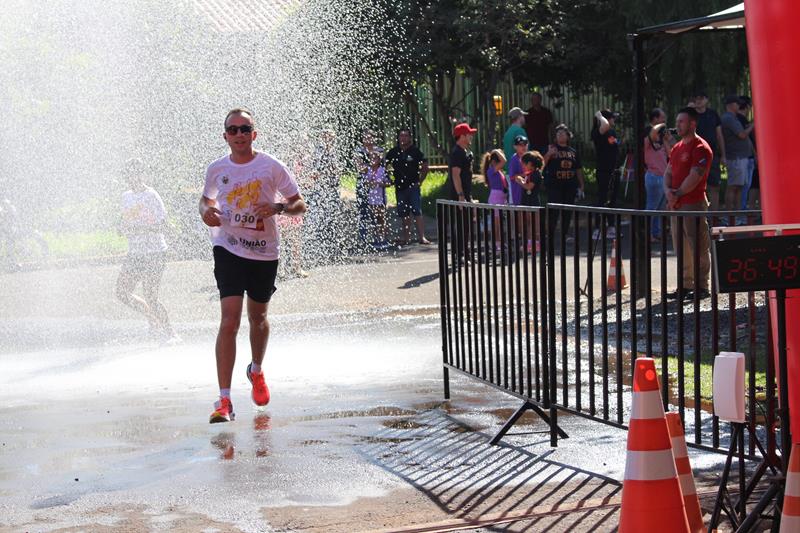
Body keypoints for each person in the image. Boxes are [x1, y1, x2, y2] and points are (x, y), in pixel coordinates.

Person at [199, 108, 307, 423]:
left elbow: (299, 203)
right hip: (228, 247)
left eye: (245, 129)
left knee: (257, 319)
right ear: (225, 136)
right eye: (233, 130)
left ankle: (256, 370)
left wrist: (276, 208)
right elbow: (206, 200)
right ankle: (224, 401)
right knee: (229, 320)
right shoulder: (217, 169)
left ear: (254, 134)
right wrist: (206, 210)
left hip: (263, 252)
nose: (239, 135)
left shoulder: (271, 166)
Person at [116, 158, 178, 343]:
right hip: (135, 253)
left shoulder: (151, 196)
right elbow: (126, 221)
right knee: (122, 292)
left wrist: (138, 230)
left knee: (151, 296)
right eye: (128, 174)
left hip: (154, 253)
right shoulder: (125, 197)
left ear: (142, 174)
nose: (132, 178)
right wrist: (120, 228)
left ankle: (171, 333)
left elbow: (164, 226)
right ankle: (153, 320)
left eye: (135, 173)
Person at [663, 107, 712, 300]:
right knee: (681, 246)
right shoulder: (677, 147)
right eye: (677, 121)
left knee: (698, 245)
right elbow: (668, 172)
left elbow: (695, 177)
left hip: (693, 203)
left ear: (693, 123)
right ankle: (685, 284)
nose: (677, 125)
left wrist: (677, 193)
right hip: (677, 204)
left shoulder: (701, 147)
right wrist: (669, 192)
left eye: (681, 121)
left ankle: (702, 286)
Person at [385, 127, 430, 245]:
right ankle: (407, 238)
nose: (403, 138)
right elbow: (384, 164)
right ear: (398, 138)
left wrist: (420, 181)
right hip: (400, 187)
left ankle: (422, 237)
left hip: (413, 186)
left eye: (406, 135)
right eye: (401, 135)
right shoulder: (393, 152)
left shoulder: (415, 151)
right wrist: (388, 178)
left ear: (410, 138)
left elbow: (425, 166)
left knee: (417, 211)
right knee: (404, 213)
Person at [544, 124, 585, 234]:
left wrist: (581, 185)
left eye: (562, 133)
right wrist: (548, 154)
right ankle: (550, 235)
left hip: (570, 186)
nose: (560, 135)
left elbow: (578, 169)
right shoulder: (551, 148)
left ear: (568, 136)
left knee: (567, 212)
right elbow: (541, 164)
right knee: (554, 212)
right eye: (558, 134)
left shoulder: (573, 151)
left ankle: (564, 235)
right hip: (554, 186)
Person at [446, 123, 477, 260]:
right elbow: (455, 174)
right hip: (459, 195)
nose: (471, 136)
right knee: (461, 225)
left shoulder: (463, 151)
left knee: (467, 224)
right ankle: (459, 255)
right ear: (462, 136)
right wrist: (460, 196)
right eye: (469, 134)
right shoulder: (457, 152)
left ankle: (465, 253)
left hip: (465, 194)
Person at [721, 94, 755, 214]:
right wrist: (753, 125)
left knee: (739, 187)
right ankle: (729, 215)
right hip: (736, 158)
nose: (739, 105)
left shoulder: (733, 117)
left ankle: (737, 215)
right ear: (731, 105)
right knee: (733, 187)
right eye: (737, 103)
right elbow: (742, 135)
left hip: (740, 158)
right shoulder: (729, 118)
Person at [591, 109, 621, 237]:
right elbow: (605, 125)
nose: (614, 120)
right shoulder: (598, 131)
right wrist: (598, 115)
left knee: (612, 199)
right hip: (603, 170)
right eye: (612, 117)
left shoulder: (611, 132)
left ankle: (611, 227)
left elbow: (614, 144)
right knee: (602, 198)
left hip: (614, 170)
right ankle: (597, 228)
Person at [693, 91, 724, 211]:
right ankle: (700, 215)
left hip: (712, 155)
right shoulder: (691, 115)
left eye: (701, 98)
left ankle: (714, 216)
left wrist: (723, 155)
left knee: (714, 186)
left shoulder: (713, 114)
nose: (698, 101)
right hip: (696, 155)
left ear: (706, 100)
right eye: (696, 99)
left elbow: (719, 135)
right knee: (696, 186)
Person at [644, 119, 674, 240]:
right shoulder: (646, 143)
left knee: (659, 208)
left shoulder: (660, 144)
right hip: (653, 177)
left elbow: (671, 154)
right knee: (651, 207)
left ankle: (656, 233)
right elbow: (652, 133)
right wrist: (663, 125)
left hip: (662, 178)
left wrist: (666, 140)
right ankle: (648, 234)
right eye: (658, 133)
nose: (658, 135)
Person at [354, 130, 384, 245]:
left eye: (370, 137)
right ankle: (363, 238)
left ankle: (379, 237)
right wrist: (372, 167)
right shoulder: (359, 151)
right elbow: (360, 167)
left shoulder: (379, 150)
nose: (368, 140)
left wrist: (368, 167)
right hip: (363, 184)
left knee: (378, 211)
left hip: (377, 185)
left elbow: (382, 167)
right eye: (366, 137)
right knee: (363, 210)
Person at [362, 151, 390, 249]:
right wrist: (369, 183)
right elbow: (364, 183)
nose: (373, 160)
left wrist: (381, 184)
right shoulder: (368, 170)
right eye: (371, 158)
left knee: (381, 218)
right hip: (371, 198)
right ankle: (376, 238)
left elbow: (389, 182)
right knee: (373, 219)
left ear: (379, 160)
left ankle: (385, 238)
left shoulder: (382, 170)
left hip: (380, 197)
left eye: (375, 158)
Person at [481, 149, 508, 249]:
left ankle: (500, 241)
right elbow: (504, 161)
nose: (500, 164)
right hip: (496, 198)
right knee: (496, 223)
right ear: (493, 162)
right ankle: (497, 242)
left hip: (501, 198)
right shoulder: (491, 170)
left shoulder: (498, 171)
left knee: (500, 222)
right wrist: (496, 151)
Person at [736, 96, 758, 212]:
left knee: (748, 186)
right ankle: (742, 212)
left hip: (747, 157)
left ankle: (744, 210)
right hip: (745, 157)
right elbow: (746, 137)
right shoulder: (739, 118)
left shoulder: (742, 119)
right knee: (744, 186)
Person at [507, 135, 529, 206]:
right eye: (520, 145)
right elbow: (512, 177)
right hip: (518, 193)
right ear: (515, 146)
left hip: (529, 192)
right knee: (520, 214)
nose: (523, 147)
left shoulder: (530, 157)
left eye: (525, 144)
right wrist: (525, 174)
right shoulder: (514, 159)